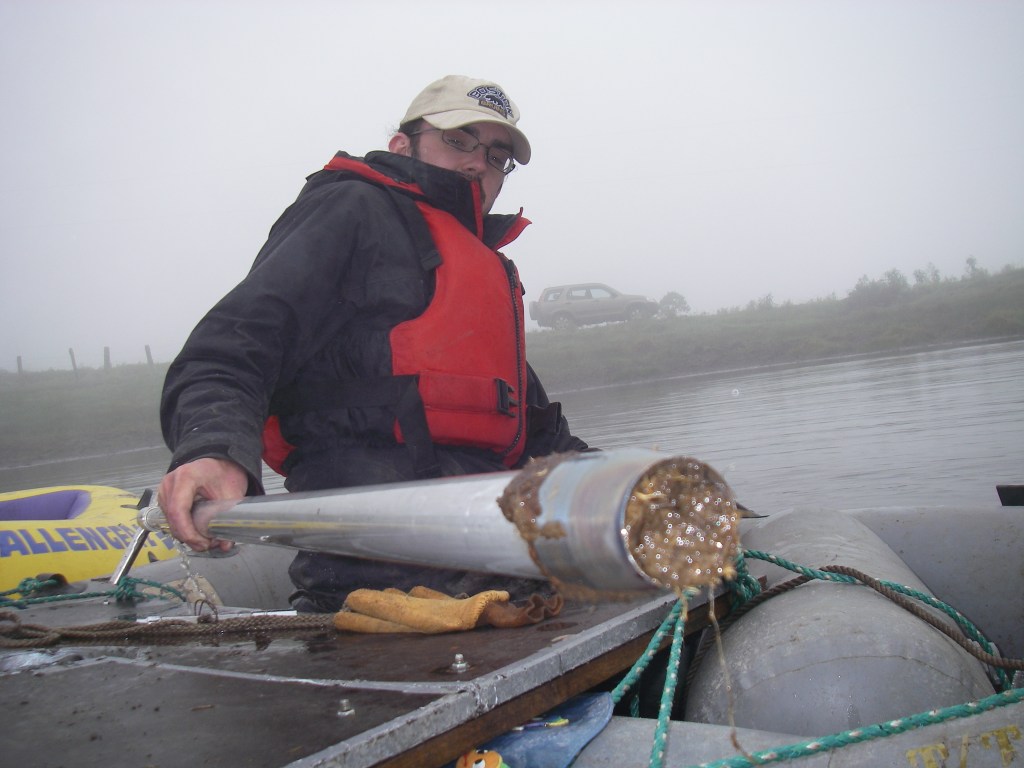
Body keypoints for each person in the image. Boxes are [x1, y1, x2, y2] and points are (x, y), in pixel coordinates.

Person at [158, 75, 589, 612]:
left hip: (493, 555)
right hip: (372, 572)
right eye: (458, 140)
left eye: (498, 155)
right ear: (401, 146)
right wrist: (212, 449)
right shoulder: (352, 210)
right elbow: (235, 343)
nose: (480, 163)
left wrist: (627, 487)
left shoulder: (481, 262)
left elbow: (534, 425)